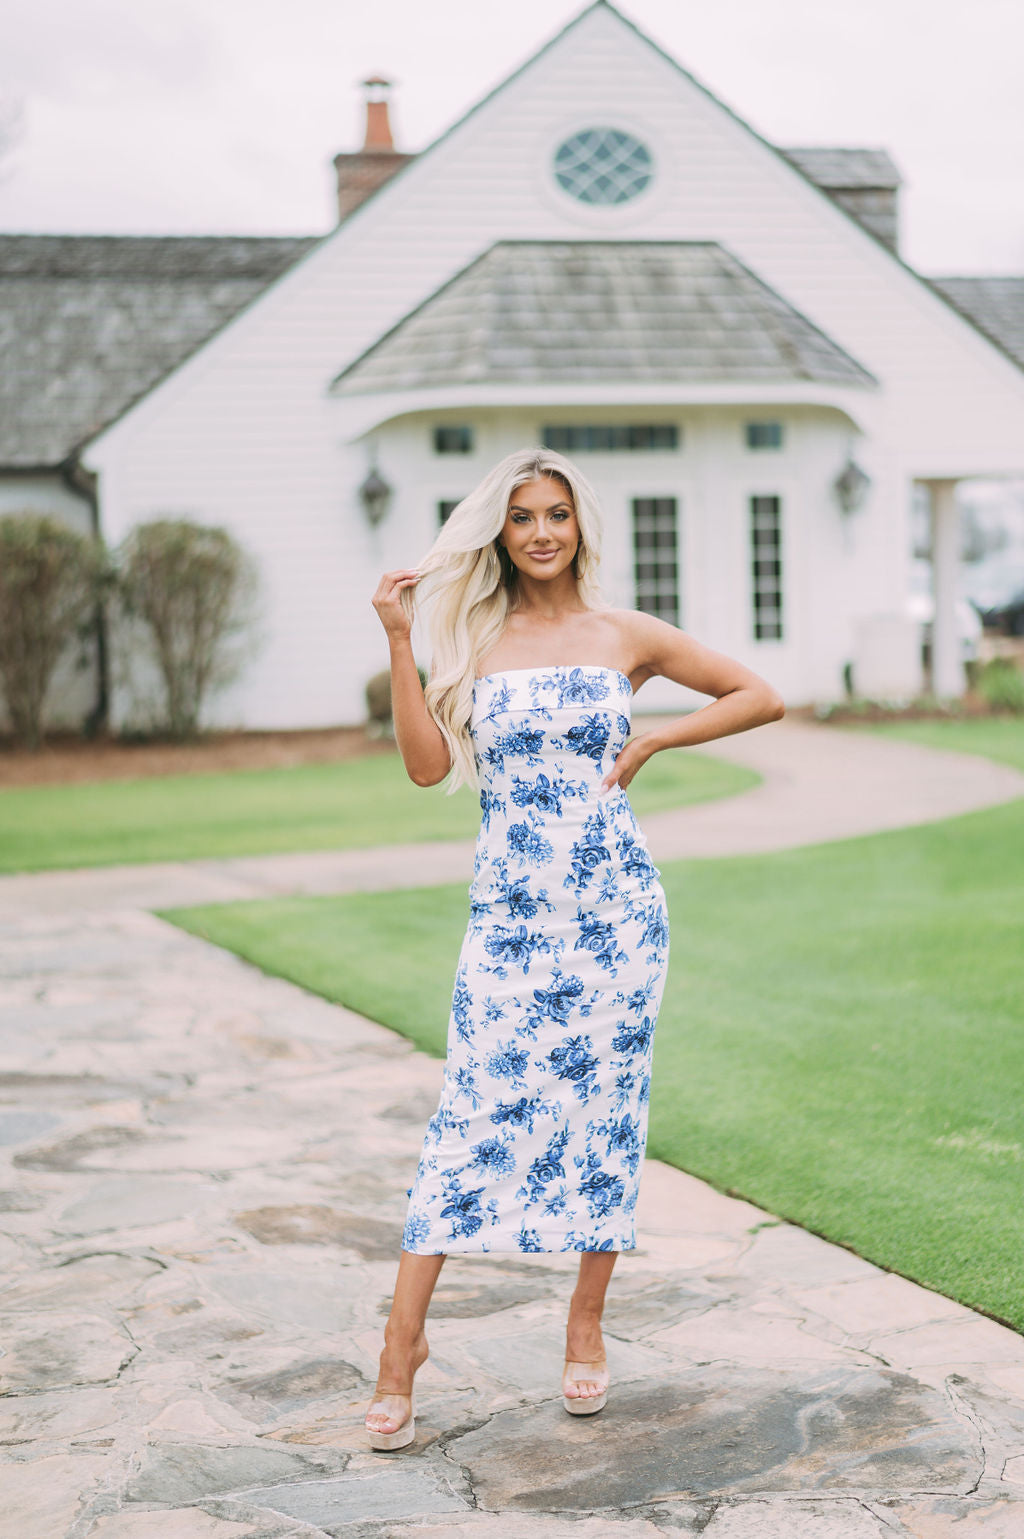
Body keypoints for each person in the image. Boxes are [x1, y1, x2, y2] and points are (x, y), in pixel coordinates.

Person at [365, 446, 784, 1449]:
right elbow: (427, 771)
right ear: (499, 534)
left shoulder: (622, 633)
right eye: (522, 517)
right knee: (470, 1114)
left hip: (614, 916)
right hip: (509, 918)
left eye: (556, 513)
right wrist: (398, 640)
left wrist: (654, 739)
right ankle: (399, 1347)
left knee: (604, 1111)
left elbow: (757, 694)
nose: (541, 531)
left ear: (578, 526)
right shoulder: (473, 639)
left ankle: (585, 1321)